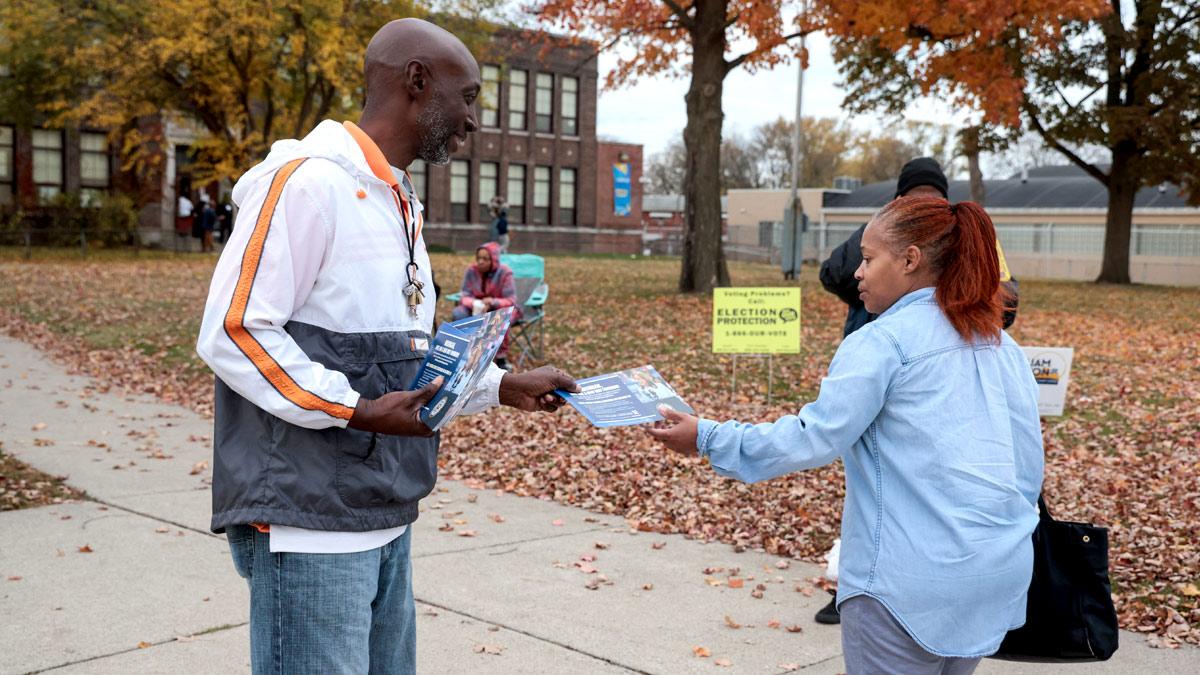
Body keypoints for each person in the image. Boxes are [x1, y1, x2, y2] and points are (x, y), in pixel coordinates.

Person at [195, 18, 578, 674]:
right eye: (469, 96)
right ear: (417, 81)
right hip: (308, 528)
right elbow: (233, 330)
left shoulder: (396, 201)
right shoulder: (306, 185)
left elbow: (404, 358)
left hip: (385, 514)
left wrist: (499, 385)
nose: (474, 119)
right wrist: (358, 410)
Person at [650, 196, 1042, 674]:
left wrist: (708, 437)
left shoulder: (882, 343)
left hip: (905, 583)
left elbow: (812, 437)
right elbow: (1027, 469)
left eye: (869, 258)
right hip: (995, 575)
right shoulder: (1004, 346)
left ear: (910, 260)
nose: (857, 271)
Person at [813, 157, 1020, 626]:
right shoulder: (893, 233)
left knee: (876, 488)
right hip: (935, 384)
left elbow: (834, 272)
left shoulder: (952, 237)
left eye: (871, 261)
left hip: (908, 374)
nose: (863, 270)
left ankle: (857, 587)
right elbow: (1007, 304)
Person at [820, 157, 1020, 339]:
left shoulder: (965, 239)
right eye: (914, 199)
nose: (923, 205)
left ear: (944, 204)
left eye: (932, 199)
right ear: (897, 202)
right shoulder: (880, 234)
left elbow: (1005, 305)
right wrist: (880, 233)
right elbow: (835, 274)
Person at [453, 242, 519, 370]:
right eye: (478, 258)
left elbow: (511, 300)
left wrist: (493, 302)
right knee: (458, 313)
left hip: (500, 307)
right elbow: (464, 295)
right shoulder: (472, 271)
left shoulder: (505, 273)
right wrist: (473, 303)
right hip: (476, 308)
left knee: (499, 318)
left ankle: (500, 358)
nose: (480, 262)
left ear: (493, 260)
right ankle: (463, 352)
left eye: (485, 259)